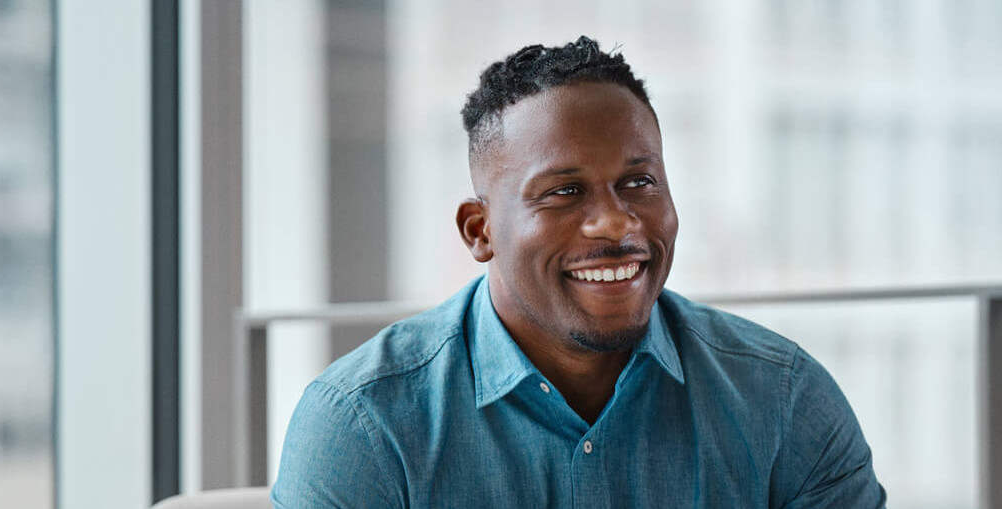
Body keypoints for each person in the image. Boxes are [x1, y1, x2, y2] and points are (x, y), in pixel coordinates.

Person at [272, 37, 886, 508]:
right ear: (479, 231)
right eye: (563, 192)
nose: (615, 224)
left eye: (639, 183)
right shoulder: (364, 424)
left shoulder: (782, 400)